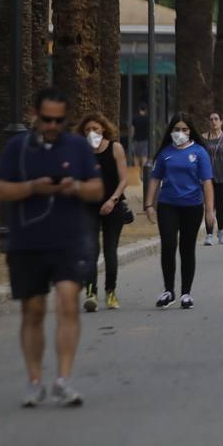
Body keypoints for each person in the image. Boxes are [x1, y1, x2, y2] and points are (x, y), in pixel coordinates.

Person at [0, 87, 103, 407]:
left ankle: (63, 380)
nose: (52, 126)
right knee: (34, 310)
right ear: (35, 115)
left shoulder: (78, 147)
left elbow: (97, 189)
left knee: (68, 303)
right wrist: (32, 187)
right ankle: (34, 381)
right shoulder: (18, 148)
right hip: (27, 242)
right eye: (46, 119)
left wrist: (77, 186)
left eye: (58, 120)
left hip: (69, 240)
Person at [145, 113, 215, 309]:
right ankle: (168, 290)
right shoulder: (165, 153)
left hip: (192, 207)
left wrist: (210, 211)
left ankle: (186, 293)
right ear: (171, 131)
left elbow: (207, 182)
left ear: (190, 131)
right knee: (168, 245)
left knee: (186, 248)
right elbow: (155, 179)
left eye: (185, 129)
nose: (180, 133)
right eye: (177, 130)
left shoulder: (200, 152)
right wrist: (149, 204)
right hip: (168, 205)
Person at [77, 113, 129, 312]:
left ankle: (110, 292)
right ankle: (90, 292)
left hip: (112, 206)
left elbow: (123, 179)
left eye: (95, 129)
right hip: (88, 207)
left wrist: (113, 200)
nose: (92, 133)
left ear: (103, 130)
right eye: (88, 130)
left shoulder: (115, 148)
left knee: (110, 251)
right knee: (90, 251)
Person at [202, 112, 223, 245]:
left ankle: (220, 231)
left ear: (221, 121)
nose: (213, 121)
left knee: (219, 206)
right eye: (211, 119)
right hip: (207, 178)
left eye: (216, 119)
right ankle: (209, 234)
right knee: (209, 207)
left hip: (222, 176)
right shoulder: (203, 138)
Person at [131, 103, 151, 168]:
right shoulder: (147, 119)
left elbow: (132, 130)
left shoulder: (135, 118)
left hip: (136, 139)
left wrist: (132, 137)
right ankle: (143, 173)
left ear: (139, 109)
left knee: (136, 156)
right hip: (144, 140)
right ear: (146, 110)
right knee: (144, 156)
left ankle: (136, 173)